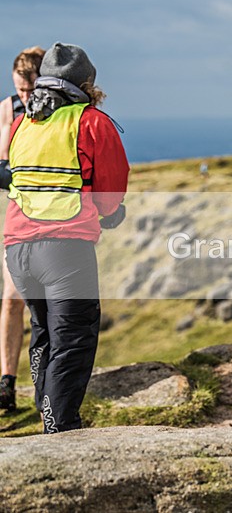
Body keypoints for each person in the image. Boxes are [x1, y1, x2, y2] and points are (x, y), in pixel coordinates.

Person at [0, 43, 129, 433]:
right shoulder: (91, 122)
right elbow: (110, 194)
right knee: (73, 340)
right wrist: (110, 213)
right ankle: (60, 429)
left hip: (17, 249)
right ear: (86, 83)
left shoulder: (24, 123)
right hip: (64, 250)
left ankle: (47, 419)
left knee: (43, 333)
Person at [0, 46, 45, 412]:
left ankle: (46, 383)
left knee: (46, 305)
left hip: (57, 220)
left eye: (31, 89)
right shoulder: (7, 108)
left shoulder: (62, 110)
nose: (25, 97)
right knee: (12, 297)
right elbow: (3, 163)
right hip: (19, 216)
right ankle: (7, 382)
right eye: (20, 89)